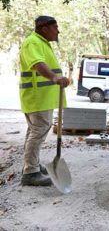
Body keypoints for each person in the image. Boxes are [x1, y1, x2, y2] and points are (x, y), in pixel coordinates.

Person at [19, 16, 70, 186]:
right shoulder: (33, 42)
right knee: (39, 130)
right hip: (37, 98)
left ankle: (31, 165)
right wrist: (55, 78)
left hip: (40, 98)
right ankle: (30, 173)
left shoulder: (40, 42)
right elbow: (38, 65)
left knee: (35, 130)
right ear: (43, 28)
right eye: (55, 27)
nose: (58, 31)